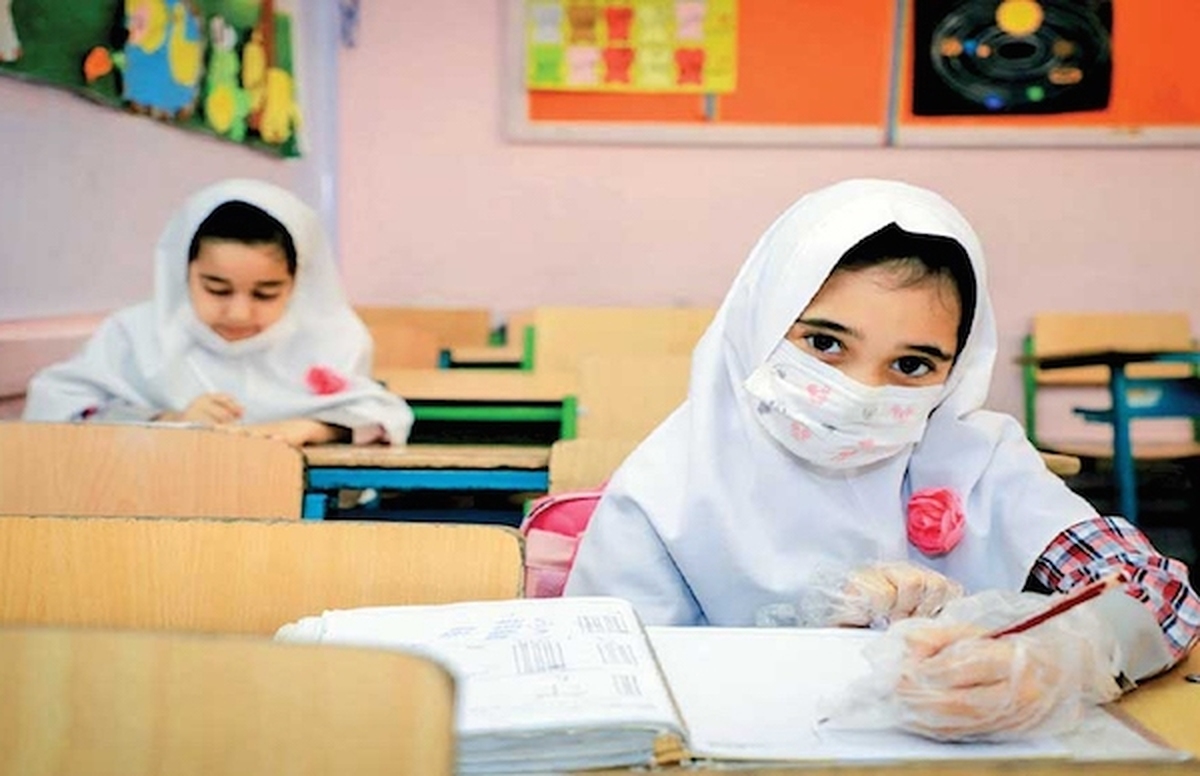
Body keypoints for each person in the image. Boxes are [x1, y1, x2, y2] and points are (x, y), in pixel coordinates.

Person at [564, 179, 1199, 739]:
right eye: (824, 343)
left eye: (912, 365)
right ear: (759, 323)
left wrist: (1064, 658)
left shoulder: (978, 461)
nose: (863, 390)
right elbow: (591, 688)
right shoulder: (667, 488)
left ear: (955, 370)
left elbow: (1159, 590)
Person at [23, 178, 412, 447]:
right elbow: (56, 409)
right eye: (217, 289)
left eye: (266, 293)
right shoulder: (134, 335)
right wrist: (166, 421)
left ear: (298, 282)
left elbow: (381, 417)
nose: (239, 313)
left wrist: (313, 428)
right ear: (183, 272)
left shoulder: (330, 337)